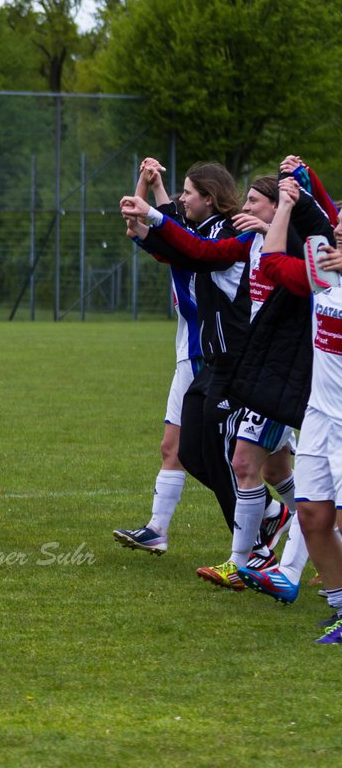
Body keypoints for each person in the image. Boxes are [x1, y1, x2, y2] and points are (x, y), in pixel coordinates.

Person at [120, 159, 332, 588]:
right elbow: (188, 244)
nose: (246, 208)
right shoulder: (244, 241)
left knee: (254, 465)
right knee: (248, 464)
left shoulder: (283, 246)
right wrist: (151, 205)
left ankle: (277, 558)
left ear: (277, 209)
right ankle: (268, 540)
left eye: (256, 202)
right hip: (238, 364)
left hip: (270, 370)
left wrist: (300, 194)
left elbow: (304, 240)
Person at [253, 175, 342, 642]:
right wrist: (289, 202)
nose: (339, 231)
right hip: (320, 416)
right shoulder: (323, 272)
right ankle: (341, 607)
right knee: (311, 515)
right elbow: (270, 263)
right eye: (340, 224)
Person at [113, 158, 202, 555]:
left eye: (188, 192)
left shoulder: (201, 248)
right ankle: (157, 529)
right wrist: (147, 181)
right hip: (188, 357)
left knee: (251, 461)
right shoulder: (180, 244)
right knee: (172, 447)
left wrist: (155, 188)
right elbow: (138, 222)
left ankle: (277, 521)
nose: (180, 197)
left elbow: (167, 223)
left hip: (210, 357)